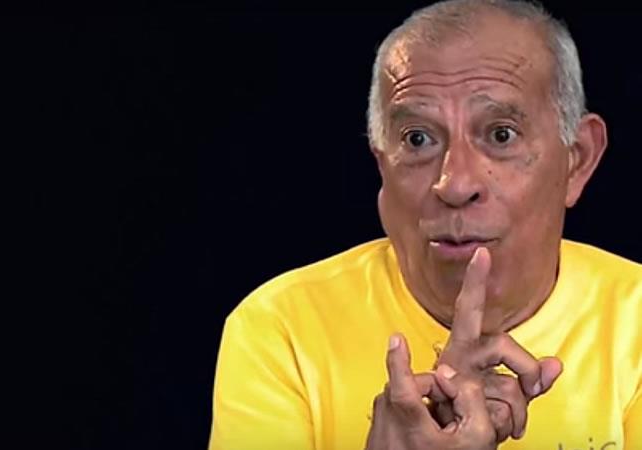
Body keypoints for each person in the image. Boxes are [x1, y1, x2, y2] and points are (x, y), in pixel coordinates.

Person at [208, 1, 642, 449]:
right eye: (418, 139)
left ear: (577, 161)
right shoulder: (282, 331)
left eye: (501, 135)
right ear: (382, 167)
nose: (455, 184)